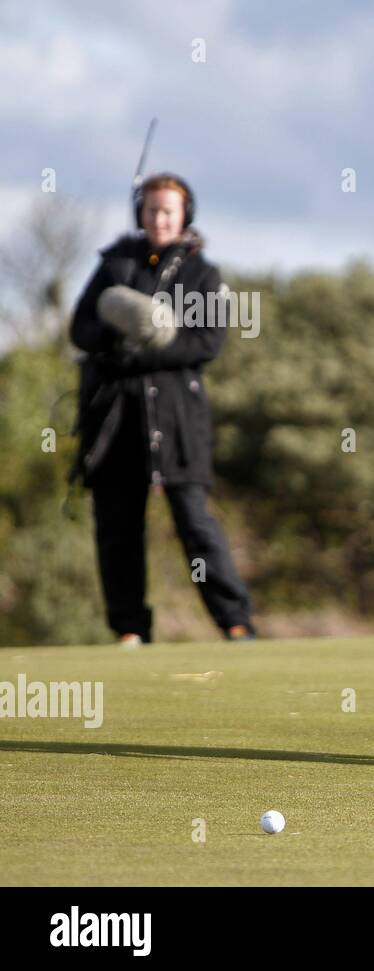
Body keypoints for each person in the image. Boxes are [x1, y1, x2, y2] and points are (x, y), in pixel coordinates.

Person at [70, 173, 255, 644]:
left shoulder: (201, 274)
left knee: (195, 523)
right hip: (115, 420)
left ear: (184, 215)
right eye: (152, 210)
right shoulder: (113, 266)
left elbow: (207, 342)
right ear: (140, 212)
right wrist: (115, 339)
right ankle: (129, 629)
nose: (159, 219)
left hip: (177, 422)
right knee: (117, 528)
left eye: (169, 211)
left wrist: (145, 353)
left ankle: (235, 622)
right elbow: (81, 329)